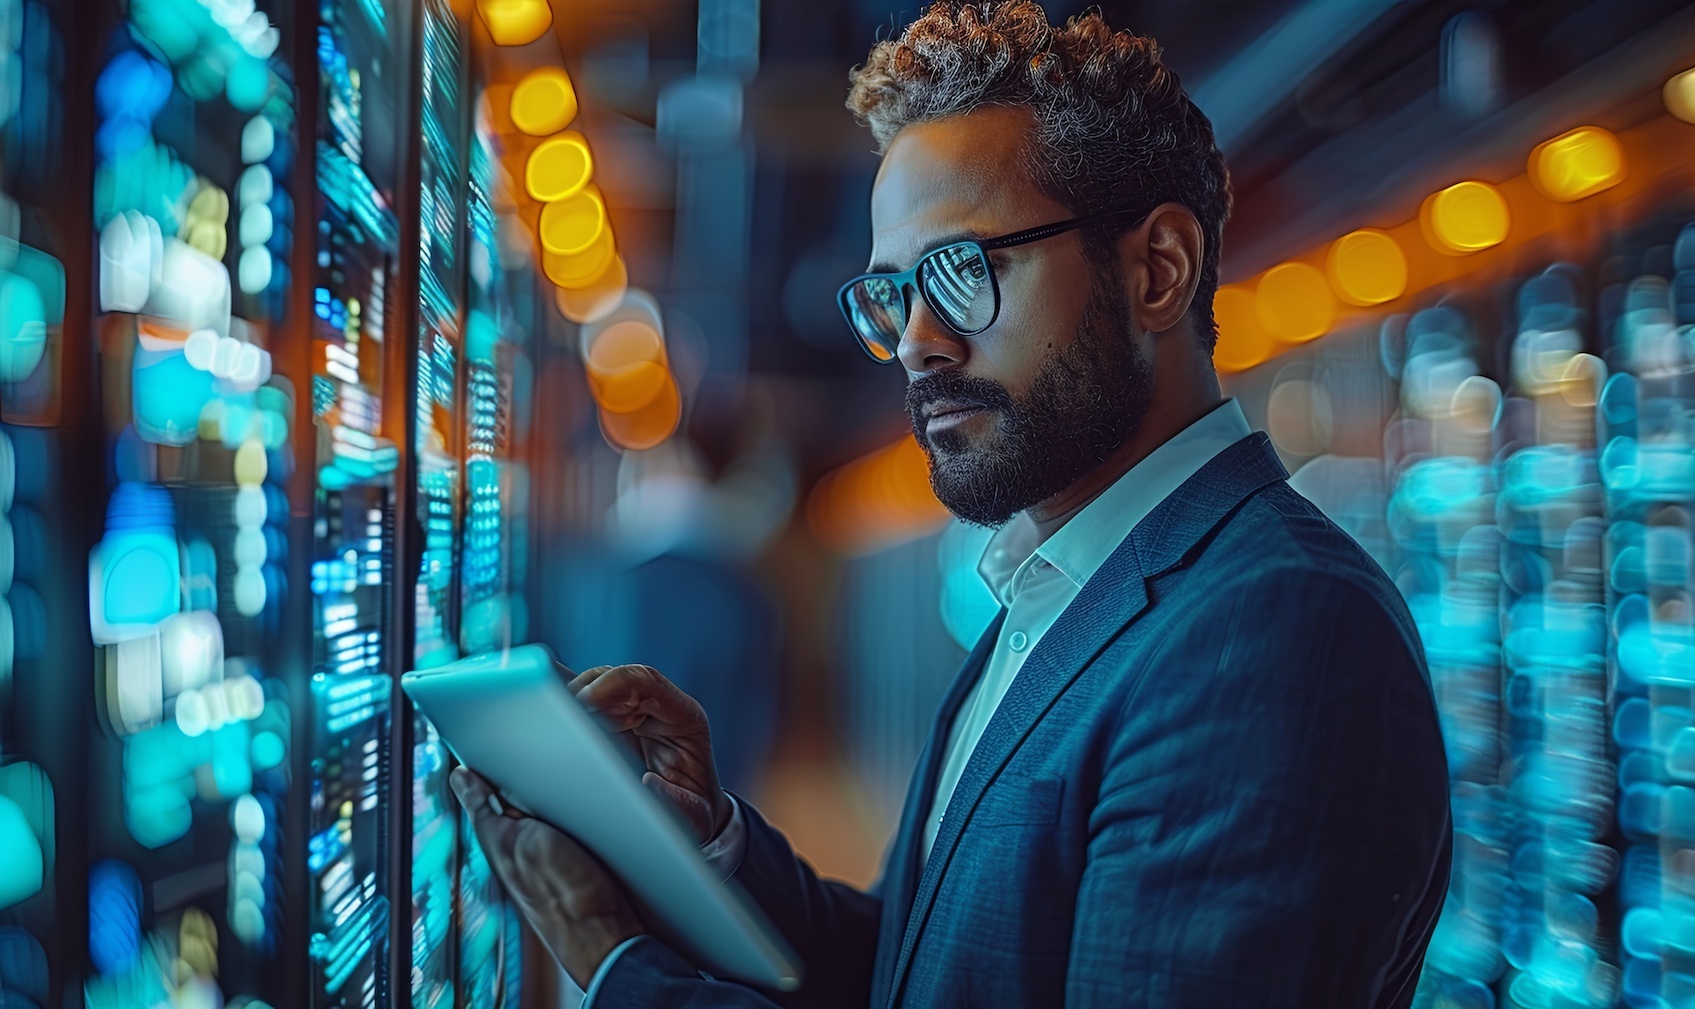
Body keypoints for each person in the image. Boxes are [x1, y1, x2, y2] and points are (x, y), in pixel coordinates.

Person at [450, 3, 1452, 1006]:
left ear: (1158, 270)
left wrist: (621, 970)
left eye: (964, 268)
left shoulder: (1273, 632)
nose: (920, 341)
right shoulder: (1055, 588)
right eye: (893, 295)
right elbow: (925, 967)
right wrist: (709, 839)